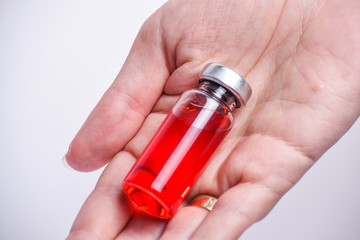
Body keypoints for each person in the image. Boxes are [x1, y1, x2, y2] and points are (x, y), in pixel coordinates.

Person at [63, 0, 360, 239]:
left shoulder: (222, 118)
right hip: (142, 189)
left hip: (161, 200)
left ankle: (158, 194)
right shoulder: (192, 99)